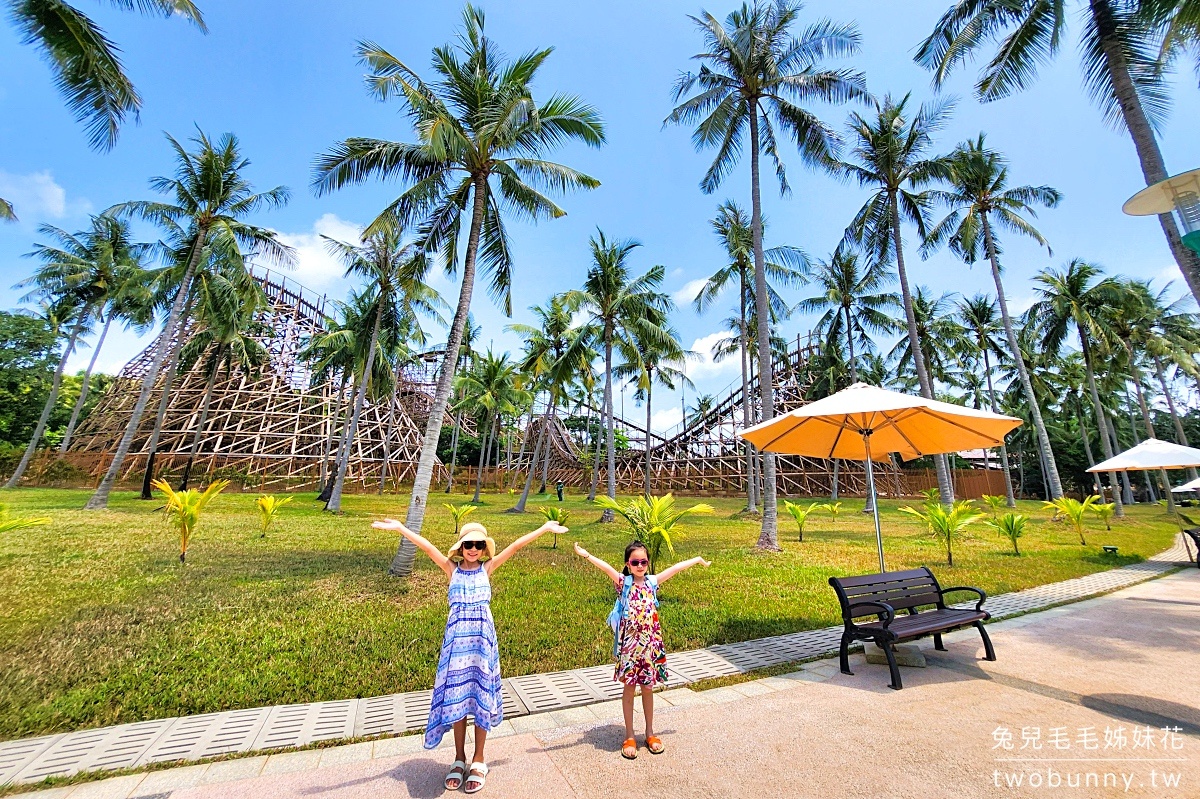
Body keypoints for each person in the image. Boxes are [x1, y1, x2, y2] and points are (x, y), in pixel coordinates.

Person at [371, 517, 567, 793]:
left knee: (480, 698)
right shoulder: (451, 569)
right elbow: (427, 548)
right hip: (456, 647)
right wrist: (401, 528)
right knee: (458, 701)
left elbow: (516, 546)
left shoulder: (487, 569)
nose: (472, 549)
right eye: (468, 545)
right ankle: (459, 757)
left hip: (482, 645)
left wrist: (544, 529)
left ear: (484, 549)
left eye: (478, 545)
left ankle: (479, 759)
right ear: (460, 548)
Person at [572, 540, 710, 760]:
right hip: (629, 648)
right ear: (628, 563)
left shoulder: (652, 583)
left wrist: (697, 560)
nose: (639, 565)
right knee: (629, 689)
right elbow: (605, 567)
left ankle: (650, 732)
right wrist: (586, 554)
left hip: (650, 648)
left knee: (647, 688)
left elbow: (675, 569)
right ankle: (629, 735)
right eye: (635, 562)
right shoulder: (623, 583)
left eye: (643, 562)